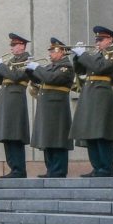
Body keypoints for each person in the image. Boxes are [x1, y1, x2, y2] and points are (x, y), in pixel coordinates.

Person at [27, 38, 75, 178]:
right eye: (50, 50)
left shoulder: (66, 67)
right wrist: (30, 70)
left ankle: (58, 170)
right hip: (46, 106)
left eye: (53, 51)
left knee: (57, 139)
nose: (50, 53)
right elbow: (38, 78)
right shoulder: (49, 66)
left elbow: (51, 79)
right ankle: (50, 169)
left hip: (57, 107)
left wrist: (37, 68)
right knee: (47, 138)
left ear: (61, 52)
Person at [71, 26, 113, 177]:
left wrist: (83, 55)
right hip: (89, 95)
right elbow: (81, 71)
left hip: (102, 95)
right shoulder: (96, 54)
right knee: (90, 133)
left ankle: (106, 168)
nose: (97, 43)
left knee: (102, 133)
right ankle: (97, 167)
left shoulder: (112, 53)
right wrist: (77, 57)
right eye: (97, 40)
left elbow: (100, 67)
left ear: (111, 39)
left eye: (101, 40)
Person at [0, 33, 32, 178]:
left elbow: (16, 77)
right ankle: (13, 168)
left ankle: (19, 169)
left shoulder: (27, 60)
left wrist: (1, 66)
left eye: (14, 45)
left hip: (15, 100)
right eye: (11, 45)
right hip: (6, 101)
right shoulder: (11, 61)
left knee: (15, 136)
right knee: (6, 136)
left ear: (22, 46)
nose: (12, 48)